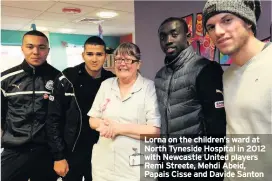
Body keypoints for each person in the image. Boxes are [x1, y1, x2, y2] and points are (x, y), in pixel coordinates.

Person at [203, 0, 272, 180]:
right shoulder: (228, 76)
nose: (217, 32)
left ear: (248, 21)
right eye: (211, 26)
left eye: (227, 20)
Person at [155, 17, 226, 181]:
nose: (168, 40)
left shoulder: (205, 69)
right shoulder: (160, 76)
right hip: (168, 167)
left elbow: (217, 126)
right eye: (163, 36)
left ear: (188, 36)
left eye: (174, 34)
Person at [88, 42, 161, 181]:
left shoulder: (149, 87)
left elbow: (154, 131)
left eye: (128, 60)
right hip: (104, 167)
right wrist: (104, 126)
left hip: (137, 168)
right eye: (118, 60)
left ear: (138, 64)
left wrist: (118, 128)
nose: (122, 64)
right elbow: (92, 119)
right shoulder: (106, 85)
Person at [46, 36, 115, 181]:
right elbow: (53, 119)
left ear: (105, 56)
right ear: (83, 55)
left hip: (101, 151)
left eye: (99, 54)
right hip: (72, 151)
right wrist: (59, 156)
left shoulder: (112, 81)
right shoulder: (67, 78)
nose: (94, 59)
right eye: (90, 54)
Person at [1, 30, 59, 181]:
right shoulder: (6, 79)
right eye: (30, 46)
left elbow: (62, 118)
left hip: (46, 152)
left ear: (48, 50)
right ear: (22, 48)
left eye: (41, 47)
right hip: (14, 151)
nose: (36, 52)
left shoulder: (59, 79)